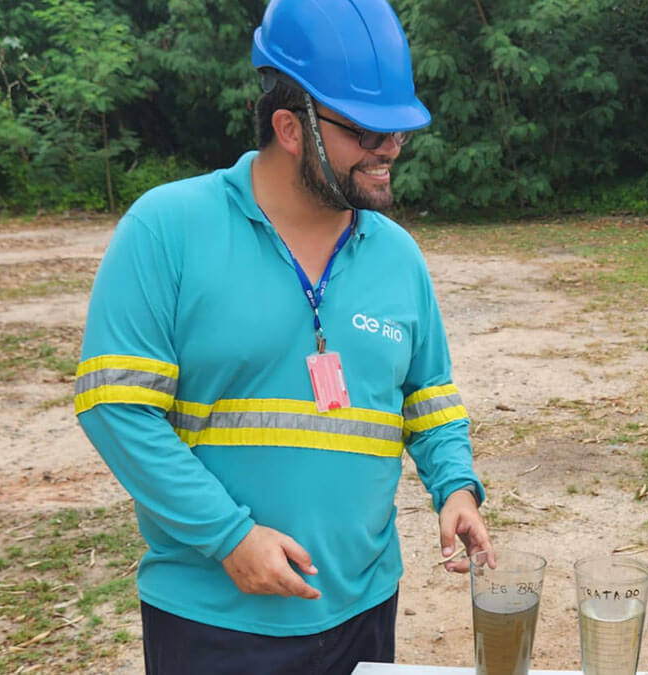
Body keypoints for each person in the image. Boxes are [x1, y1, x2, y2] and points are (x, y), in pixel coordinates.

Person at [73, 1, 492, 672]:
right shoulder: (167, 229)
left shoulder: (398, 256)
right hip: (211, 617)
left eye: (399, 132)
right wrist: (229, 537)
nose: (389, 150)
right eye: (366, 132)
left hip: (363, 610)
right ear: (290, 127)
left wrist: (456, 488)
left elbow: (428, 394)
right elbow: (116, 408)